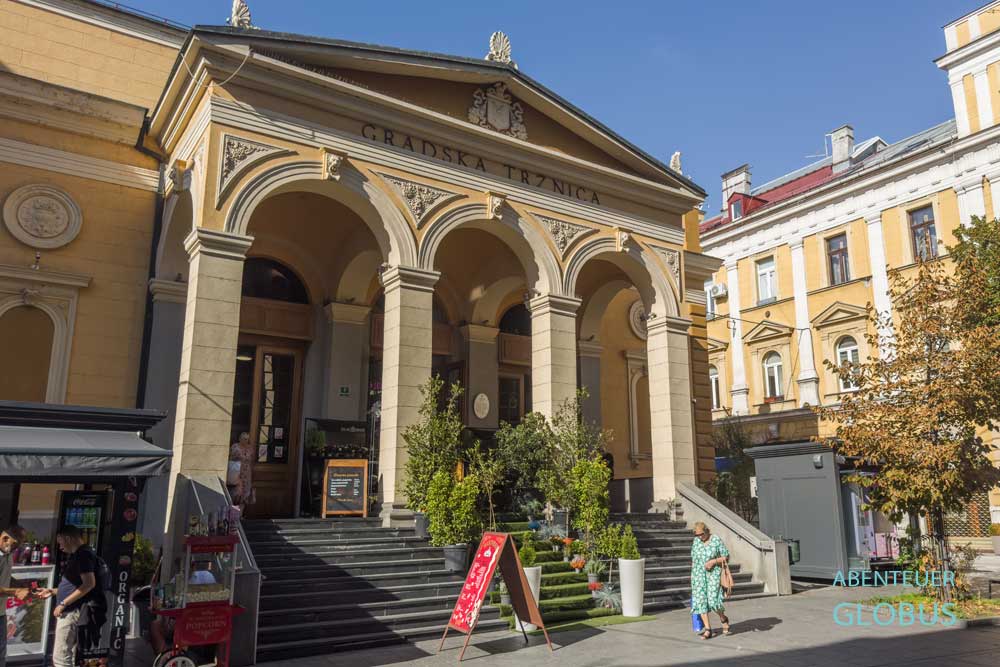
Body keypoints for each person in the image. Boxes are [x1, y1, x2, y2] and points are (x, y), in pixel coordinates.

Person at [43, 526, 103, 667]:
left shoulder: (83, 555)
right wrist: (52, 591)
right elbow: (76, 586)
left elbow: (89, 583)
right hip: (72, 610)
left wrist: (64, 603)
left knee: (61, 657)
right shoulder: (82, 554)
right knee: (66, 655)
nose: (60, 547)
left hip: (71, 612)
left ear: (68, 538)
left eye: (60, 542)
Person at [0, 526, 46, 667]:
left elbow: (5, 578)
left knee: (1, 655)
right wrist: (15, 592)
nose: (17, 548)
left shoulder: (7, 555)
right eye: (15, 544)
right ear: (5, 538)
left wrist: (21, 585)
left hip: (1, 614)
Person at [690, 521, 732, 639]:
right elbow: (694, 559)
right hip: (698, 575)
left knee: (714, 601)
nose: (699, 537)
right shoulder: (696, 542)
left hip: (713, 573)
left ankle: (723, 618)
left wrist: (713, 561)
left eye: (701, 534)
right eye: (697, 535)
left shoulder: (716, 540)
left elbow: (726, 556)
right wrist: (692, 576)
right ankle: (708, 629)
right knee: (700, 601)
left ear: (707, 531)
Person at [229, 432, 256, 512]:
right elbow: (231, 458)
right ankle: (233, 516)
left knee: (245, 496)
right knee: (236, 495)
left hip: (247, 475)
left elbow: (251, 460)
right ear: (239, 439)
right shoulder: (235, 447)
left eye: (247, 439)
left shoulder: (250, 448)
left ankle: (240, 515)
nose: (246, 441)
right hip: (236, 474)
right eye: (244, 439)